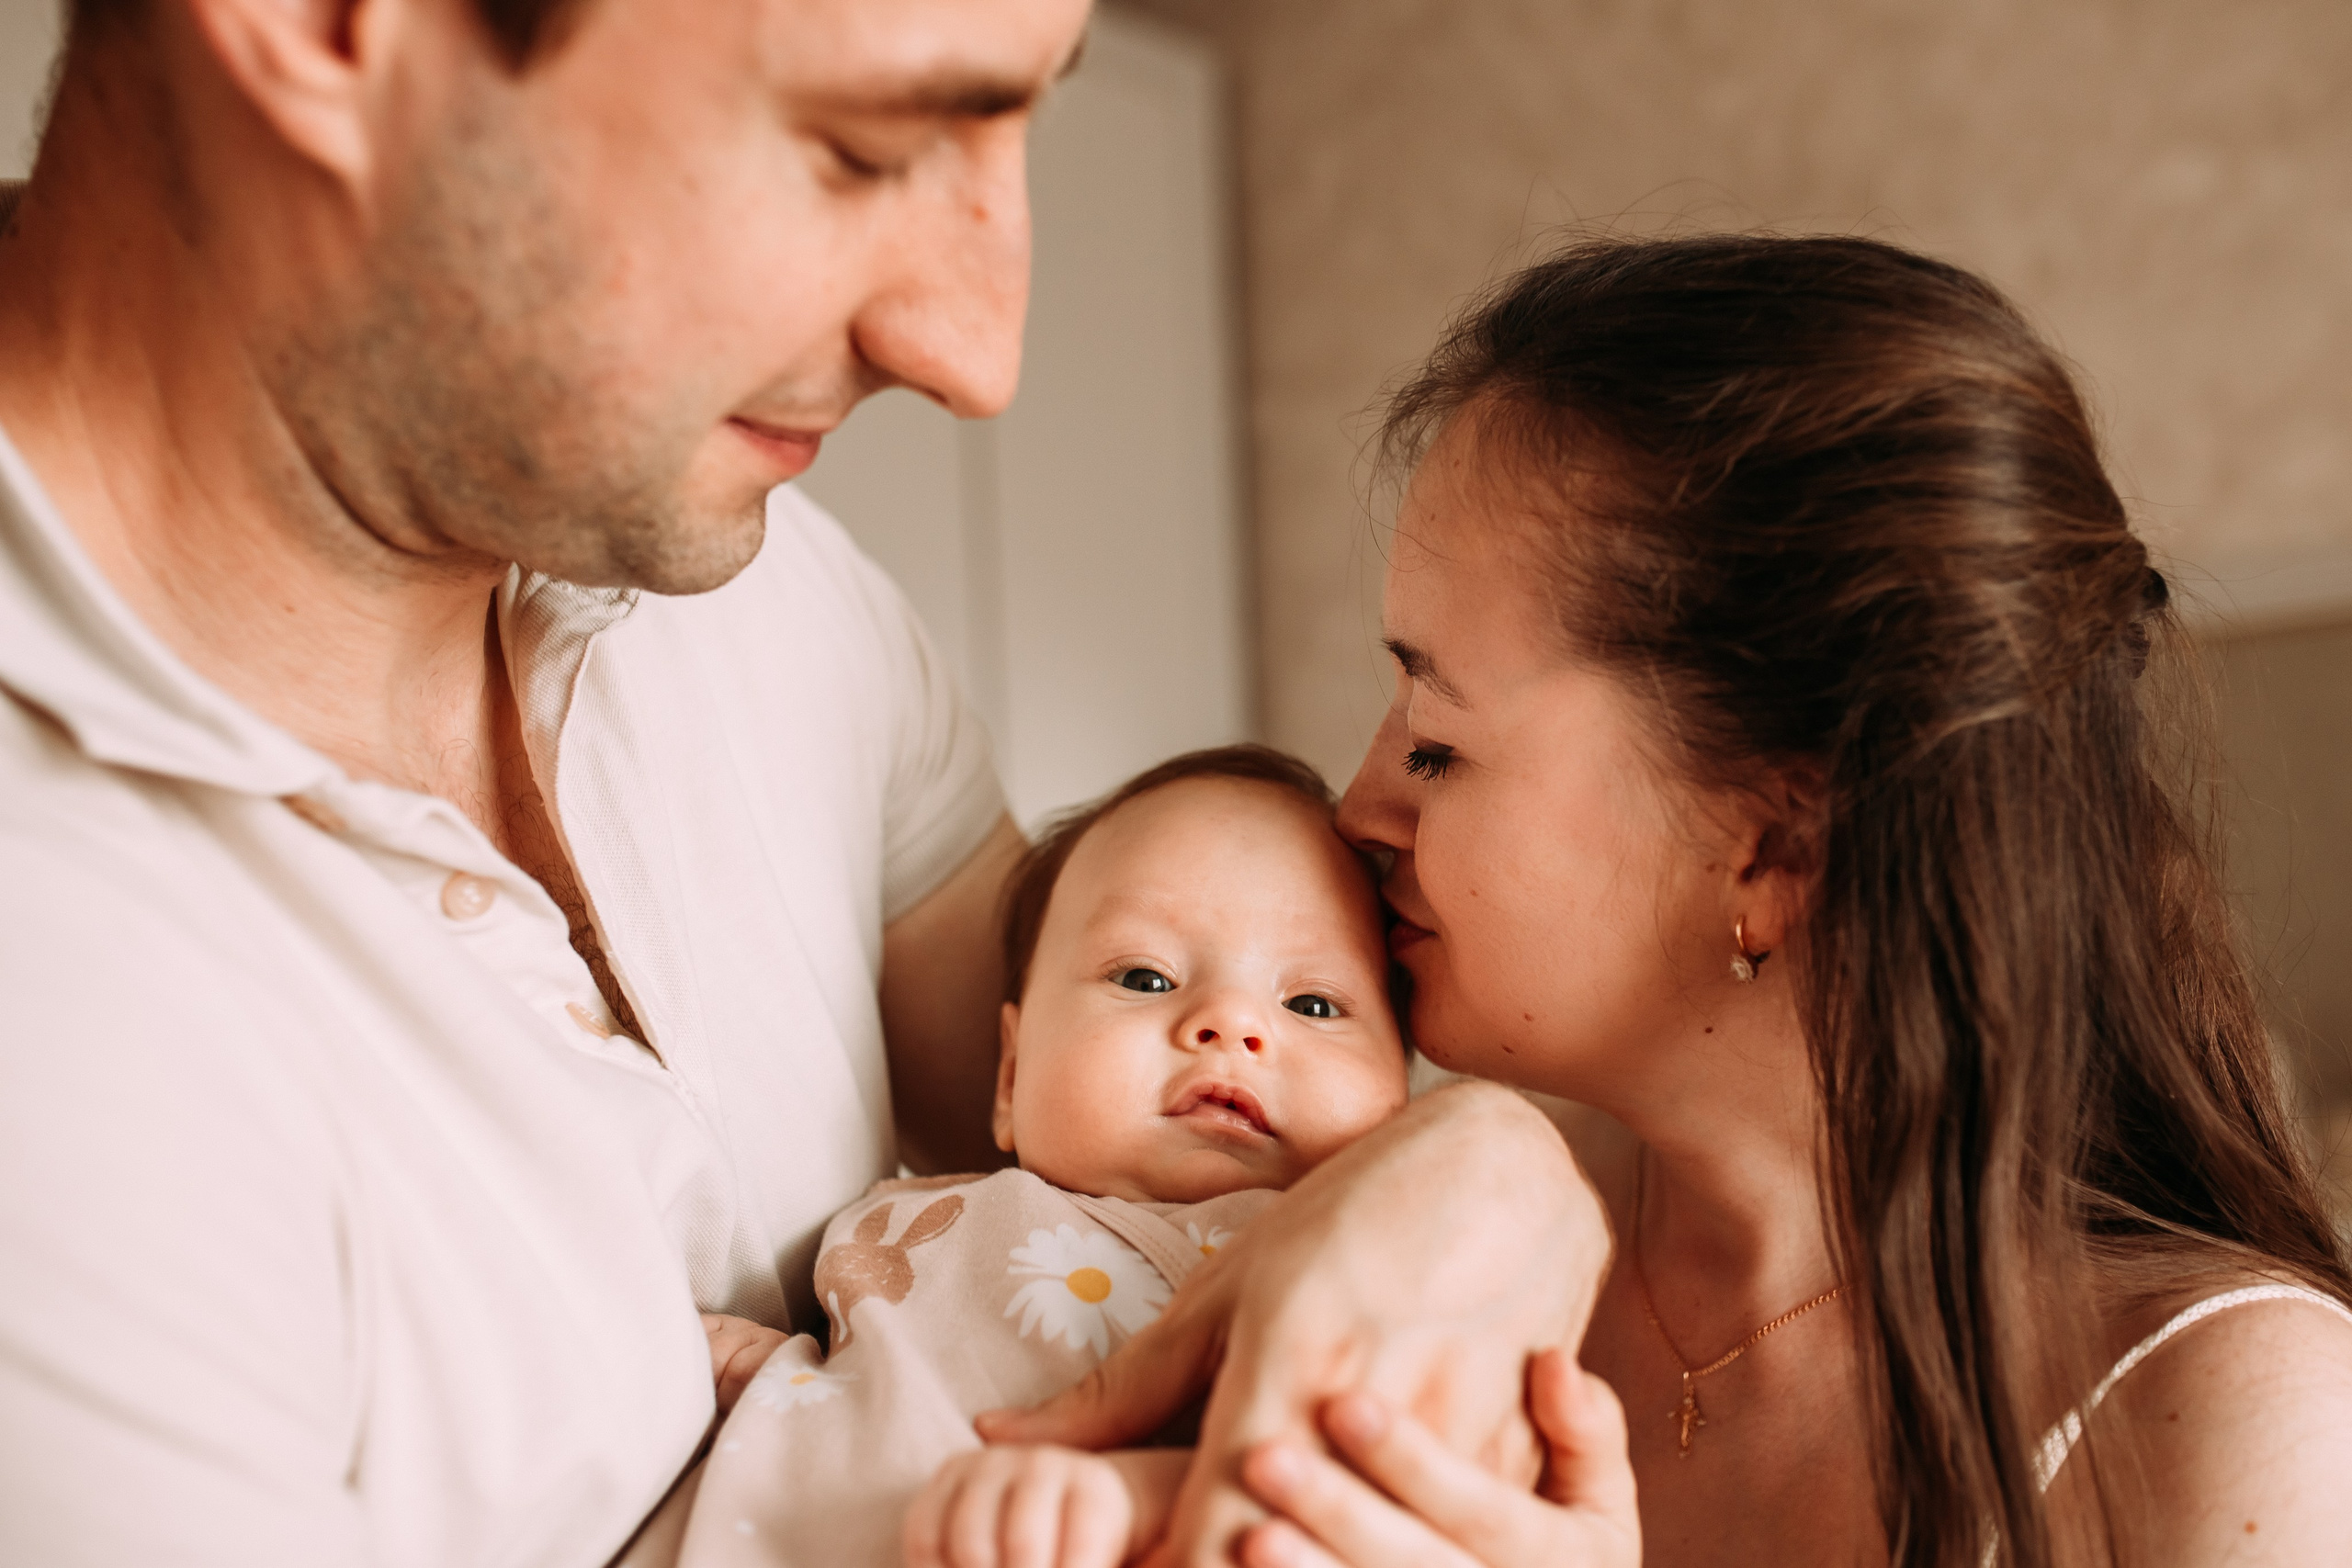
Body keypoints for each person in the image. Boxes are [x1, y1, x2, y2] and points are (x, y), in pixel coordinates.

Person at [980, 235, 2352, 1567]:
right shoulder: (1396, 1238)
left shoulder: (2241, 1423)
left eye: (1440, 740)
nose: (1359, 807)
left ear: (1770, 842)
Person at [0, 0, 1085, 1562]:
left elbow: (1167, 1101)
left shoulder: (767, 587)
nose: (977, 353)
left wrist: (1475, 1178)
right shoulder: (54, 1034)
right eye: (865, 150)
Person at [684, 746, 1471, 1568]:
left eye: (1313, 1002)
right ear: (1012, 1071)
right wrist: (790, 1383)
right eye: (1144, 977)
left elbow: (1354, 1487)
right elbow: (899, 1374)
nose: (1233, 1023)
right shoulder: (913, 1215)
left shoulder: (1333, 1272)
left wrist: (1140, 1496)